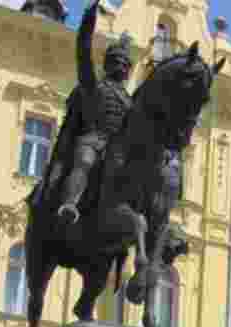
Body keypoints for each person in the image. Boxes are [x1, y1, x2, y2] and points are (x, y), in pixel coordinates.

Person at [49, 0, 134, 224]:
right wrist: (88, 21)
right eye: (116, 61)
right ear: (106, 64)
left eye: (125, 64)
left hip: (116, 150)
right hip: (92, 139)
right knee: (85, 160)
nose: (121, 66)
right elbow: (83, 53)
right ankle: (69, 204)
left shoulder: (129, 101)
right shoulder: (93, 86)